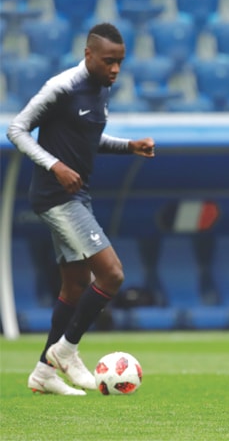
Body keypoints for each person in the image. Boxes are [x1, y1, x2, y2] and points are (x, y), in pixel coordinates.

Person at [6, 23, 155, 395]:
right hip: (56, 195)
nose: (115, 69)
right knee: (112, 275)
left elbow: (87, 137)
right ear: (88, 54)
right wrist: (54, 165)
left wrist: (128, 146)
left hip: (77, 194)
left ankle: (43, 376)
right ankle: (67, 350)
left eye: (120, 62)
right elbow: (17, 129)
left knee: (75, 285)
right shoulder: (61, 87)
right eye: (109, 61)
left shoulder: (101, 88)